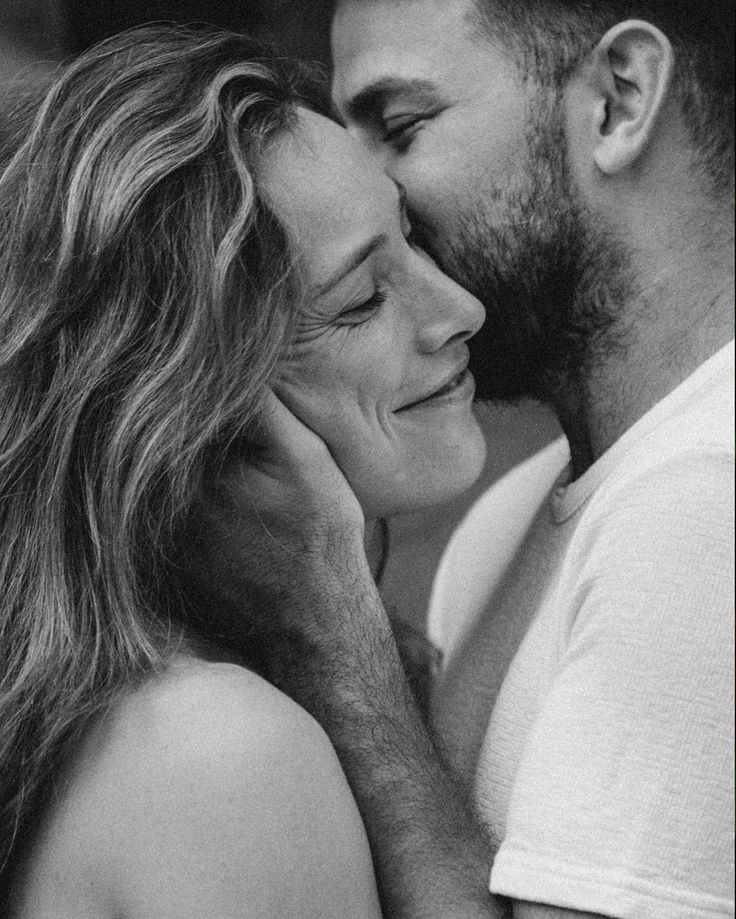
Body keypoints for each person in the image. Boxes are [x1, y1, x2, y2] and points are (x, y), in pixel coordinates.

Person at [193, 2, 735, 918]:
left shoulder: (707, 498)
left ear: (618, 100)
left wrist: (333, 637)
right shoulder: (520, 505)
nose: (369, 188)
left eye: (400, 126)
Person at [0, 23, 493, 918]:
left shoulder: (140, 718)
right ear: (196, 410)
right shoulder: (228, 756)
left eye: (412, 239)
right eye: (360, 299)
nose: (458, 308)